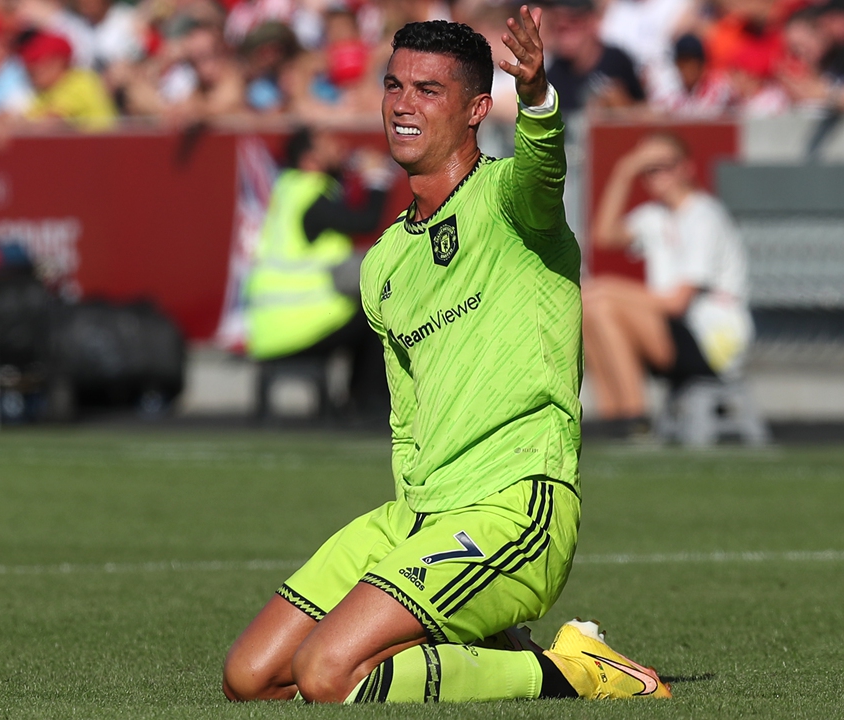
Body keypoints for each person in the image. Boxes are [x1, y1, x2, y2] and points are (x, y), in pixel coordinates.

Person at [224, 10, 671, 705]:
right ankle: (478, 641)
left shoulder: (513, 202)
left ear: (475, 110)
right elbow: (407, 423)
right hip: (418, 514)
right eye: (394, 85)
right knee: (251, 678)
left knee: (326, 675)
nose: (403, 104)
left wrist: (539, 97)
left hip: (513, 507)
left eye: (429, 90)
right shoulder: (384, 263)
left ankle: (575, 670)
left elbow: (544, 164)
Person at [585, 132, 751, 434]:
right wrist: (624, 171)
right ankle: (617, 417)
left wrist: (607, 287)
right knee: (593, 307)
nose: (656, 175)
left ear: (686, 167)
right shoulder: (655, 216)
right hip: (674, 329)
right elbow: (605, 236)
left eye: (663, 164)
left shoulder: (704, 216)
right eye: (648, 169)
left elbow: (678, 302)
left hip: (712, 337)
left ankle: (634, 417)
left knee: (600, 297)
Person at [243, 126, 394, 417]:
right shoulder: (311, 195)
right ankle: (368, 405)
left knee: (364, 316)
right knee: (379, 316)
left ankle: (357, 400)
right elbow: (365, 221)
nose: (338, 147)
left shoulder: (289, 190)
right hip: (296, 327)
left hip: (269, 329)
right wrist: (378, 179)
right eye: (327, 144)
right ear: (310, 160)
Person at [542, 0, 645, 115]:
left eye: (573, 19)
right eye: (555, 20)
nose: (562, 25)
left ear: (592, 21)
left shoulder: (616, 61)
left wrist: (624, 108)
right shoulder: (553, 72)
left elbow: (647, 110)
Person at [20, 32, 116, 130]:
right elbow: (25, 118)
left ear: (59, 62)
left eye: (38, 63)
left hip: (102, 143)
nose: (33, 69)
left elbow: (50, 122)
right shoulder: (44, 92)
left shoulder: (80, 81)